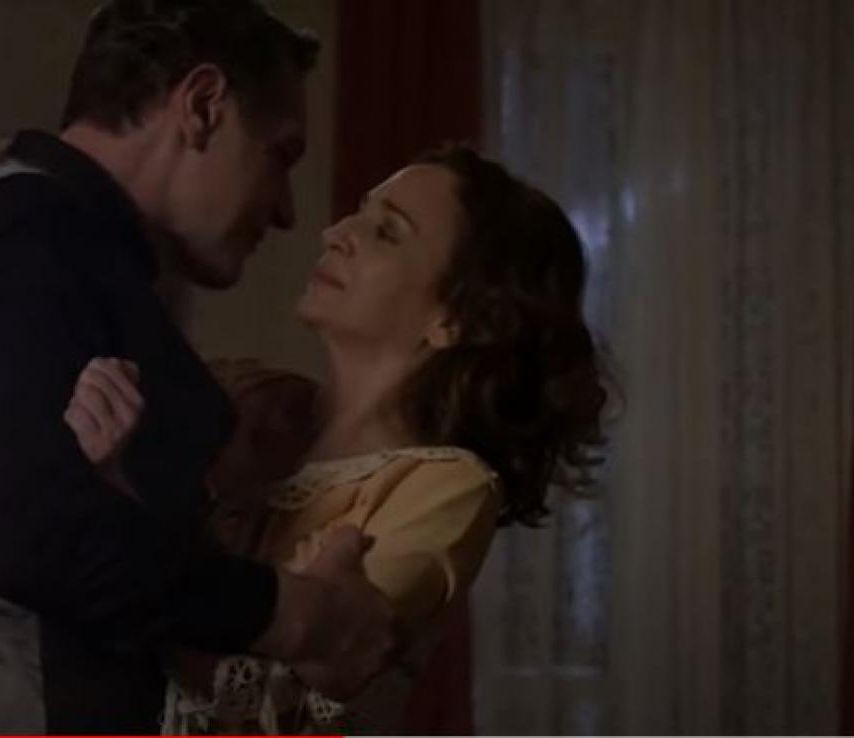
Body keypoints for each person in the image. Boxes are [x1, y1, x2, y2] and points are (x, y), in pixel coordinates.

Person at [0, 1, 394, 734]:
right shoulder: (23, 236)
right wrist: (293, 614)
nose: (284, 211)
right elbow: (29, 531)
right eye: (281, 155)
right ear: (202, 106)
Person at [67, 146, 611, 734]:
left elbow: (285, 671)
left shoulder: (444, 485)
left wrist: (119, 501)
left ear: (455, 320)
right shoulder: (246, 398)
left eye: (386, 231)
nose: (336, 232)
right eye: (359, 212)